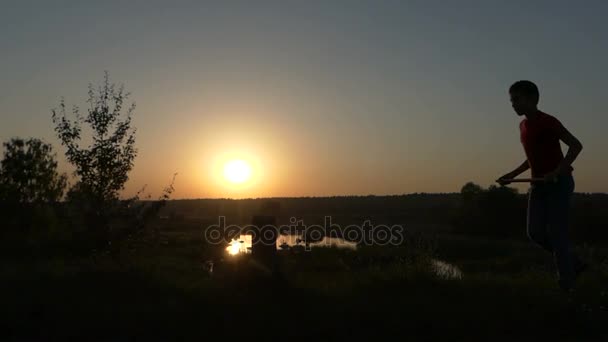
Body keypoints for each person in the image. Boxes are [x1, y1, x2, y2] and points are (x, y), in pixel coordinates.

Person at [496, 80, 586, 291]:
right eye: (511, 101)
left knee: (557, 235)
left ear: (532, 99)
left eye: (516, 99)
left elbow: (576, 145)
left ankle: (567, 286)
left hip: (559, 184)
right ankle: (575, 263)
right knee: (535, 233)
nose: (513, 104)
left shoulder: (549, 121)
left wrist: (556, 172)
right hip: (538, 186)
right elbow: (532, 159)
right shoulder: (522, 126)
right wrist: (511, 174)